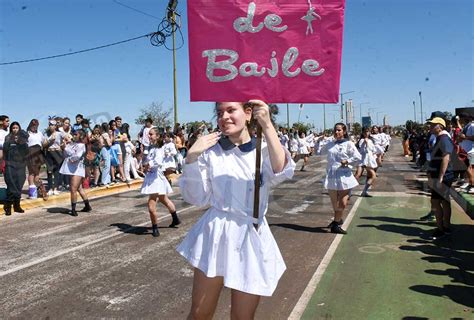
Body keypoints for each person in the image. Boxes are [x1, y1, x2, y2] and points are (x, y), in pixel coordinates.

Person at [177, 100, 295, 319]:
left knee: (242, 317)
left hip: (251, 235)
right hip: (216, 234)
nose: (224, 117)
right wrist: (192, 157)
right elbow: (196, 197)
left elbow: (281, 170)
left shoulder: (264, 148)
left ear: (248, 113)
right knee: (200, 314)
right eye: (220, 112)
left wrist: (267, 125)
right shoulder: (211, 151)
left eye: (231, 110)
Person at [317, 123, 362, 234]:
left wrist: (347, 161)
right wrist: (318, 141)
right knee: (335, 204)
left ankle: (336, 224)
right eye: (335, 130)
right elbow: (318, 151)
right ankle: (337, 220)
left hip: (344, 174)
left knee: (343, 202)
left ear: (344, 131)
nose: (337, 132)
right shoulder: (330, 144)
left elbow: (358, 156)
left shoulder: (349, 144)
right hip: (331, 175)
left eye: (339, 130)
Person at [140, 128, 180, 237]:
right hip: (153, 175)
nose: (149, 136)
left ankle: (155, 228)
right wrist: (145, 165)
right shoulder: (152, 148)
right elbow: (147, 160)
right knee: (163, 199)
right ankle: (175, 218)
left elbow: (157, 161)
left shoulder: (160, 148)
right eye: (149, 134)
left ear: (157, 136)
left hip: (155, 178)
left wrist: (148, 165)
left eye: (151, 134)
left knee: (151, 204)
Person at [425, 117, 455, 239]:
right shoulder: (440, 138)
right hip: (439, 174)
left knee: (436, 202)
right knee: (444, 201)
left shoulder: (443, 139)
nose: (430, 127)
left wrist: (441, 177)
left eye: (433, 125)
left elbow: (446, 158)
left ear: (440, 126)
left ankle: (441, 229)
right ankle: (446, 227)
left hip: (441, 176)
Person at [59, 129, 92, 216]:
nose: (74, 136)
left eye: (76, 134)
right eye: (74, 134)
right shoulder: (72, 144)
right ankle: (87, 205)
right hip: (71, 168)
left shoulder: (82, 145)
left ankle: (73, 209)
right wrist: (64, 147)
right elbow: (66, 155)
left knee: (73, 189)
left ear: (80, 136)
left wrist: (68, 152)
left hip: (77, 169)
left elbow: (76, 156)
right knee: (79, 188)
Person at [3, 122, 29, 215]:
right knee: (11, 186)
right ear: (11, 129)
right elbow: (5, 150)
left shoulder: (22, 139)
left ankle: (17, 206)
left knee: (19, 185)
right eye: (13, 128)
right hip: (10, 166)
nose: (15, 129)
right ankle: (8, 207)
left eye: (16, 128)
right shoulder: (8, 138)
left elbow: (26, 151)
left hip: (20, 166)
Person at [26, 119, 48, 200]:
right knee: (31, 173)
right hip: (30, 153)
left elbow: (44, 143)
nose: (34, 127)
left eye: (36, 125)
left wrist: (48, 142)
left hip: (38, 153)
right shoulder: (27, 134)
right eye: (33, 125)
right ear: (30, 125)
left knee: (37, 174)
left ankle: (40, 189)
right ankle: (33, 192)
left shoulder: (40, 133)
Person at [355, 127, 378, 197]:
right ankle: (348, 190)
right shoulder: (362, 140)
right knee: (359, 175)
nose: (366, 133)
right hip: (364, 160)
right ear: (362, 133)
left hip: (369, 159)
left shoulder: (371, 140)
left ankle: (364, 191)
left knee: (367, 176)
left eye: (368, 132)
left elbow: (373, 150)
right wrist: (366, 143)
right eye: (365, 132)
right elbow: (363, 151)